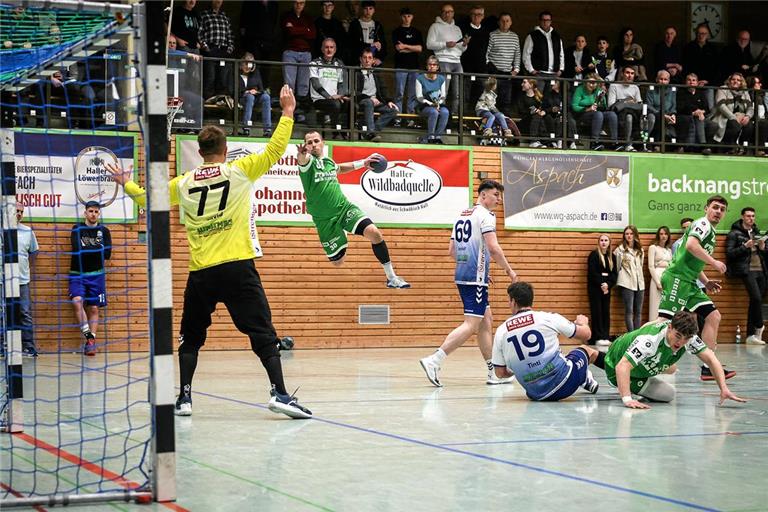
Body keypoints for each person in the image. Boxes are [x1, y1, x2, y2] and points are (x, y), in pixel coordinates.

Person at [106, 85, 312, 419]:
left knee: (191, 336)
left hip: (201, 273)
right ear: (224, 148)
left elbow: (146, 198)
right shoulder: (239, 171)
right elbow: (275, 150)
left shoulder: (185, 182)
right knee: (262, 332)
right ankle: (280, 393)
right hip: (237, 268)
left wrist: (126, 182)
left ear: (200, 151)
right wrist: (287, 112)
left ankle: (184, 398)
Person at [419, 180, 517, 387]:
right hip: (474, 278)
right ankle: (434, 360)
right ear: (482, 196)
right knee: (471, 323)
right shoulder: (486, 216)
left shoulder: (463, 214)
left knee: (485, 321)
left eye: (500, 196)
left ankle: (493, 372)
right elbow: (493, 248)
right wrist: (509, 270)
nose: (499, 199)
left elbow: (452, 251)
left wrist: (477, 269)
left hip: (465, 275)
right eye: (495, 195)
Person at [295, 131, 410, 289]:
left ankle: (392, 277)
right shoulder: (307, 164)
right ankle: (341, 231)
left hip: (344, 209)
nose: (313, 144)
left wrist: (364, 163)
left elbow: (340, 169)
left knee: (375, 233)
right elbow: (302, 160)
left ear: (323, 143)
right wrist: (301, 154)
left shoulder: (328, 162)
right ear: (306, 146)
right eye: (309, 142)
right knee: (337, 262)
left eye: (316, 141)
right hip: (325, 220)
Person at [587, 310, 746, 409]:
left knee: (671, 375)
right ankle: (593, 355)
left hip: (641, 358)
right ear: (670, 327)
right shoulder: (650, 340)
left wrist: (723, 388)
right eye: (678, 336)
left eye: (685, 339)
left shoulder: (687, 337)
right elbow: (622, 366)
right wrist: (627, 399)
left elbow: (711, 358)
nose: (680, 343)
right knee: (665, 388)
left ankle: (640, 381)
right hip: (615, 362)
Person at [657, 195, 736, 381]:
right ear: (706, 208)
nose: (718, 211)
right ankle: (639, 352)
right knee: (663, 322)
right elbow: (692, 245)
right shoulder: (703, 224)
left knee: (713, 316)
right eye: (715, 207)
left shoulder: (712, 232)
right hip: (677, 278)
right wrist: (715, 262)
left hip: (690, 281)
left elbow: (695, 259)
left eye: (722, 209)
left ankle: (708, 367)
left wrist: (706, 281)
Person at [491, 282, 599, 401]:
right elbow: (586, 335)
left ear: (514, 302)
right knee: (587, 350)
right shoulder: (547, 318)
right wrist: (583, 322)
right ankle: (612, 373)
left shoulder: (501, 331)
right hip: (565, 384)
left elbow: (500, 373)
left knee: (565, 358)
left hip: (536, 395)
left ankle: (584, 378)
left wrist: (519, 369)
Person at [69, 201, 111, 357]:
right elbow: (77, 249)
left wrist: (87, 249)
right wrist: (97, 249)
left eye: (96, 212)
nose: (93, 214)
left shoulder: (104, 231)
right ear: (85, 213)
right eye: (91, 211)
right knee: (77, 301)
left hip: (97, 275)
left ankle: (90, 343)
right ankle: (88, 337)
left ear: (99, 214)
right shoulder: (77, 229)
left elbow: (107, 254)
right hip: (77, 274)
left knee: (93, 308)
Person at [725, 207, 767, 345]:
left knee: (755, 302)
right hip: (746, 270)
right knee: (755, 297)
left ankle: (750, 336)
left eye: (753, 216)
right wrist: (745, 246)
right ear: (742, 217)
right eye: (748, 216)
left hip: (760, 269)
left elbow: (764, 254)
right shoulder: (734, 233)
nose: (751, 218)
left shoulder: (756, 232)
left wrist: (762, 248)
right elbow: (730, 254)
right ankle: (760, 326)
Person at [426, 3, 468, 114]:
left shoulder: (457, 28)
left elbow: (461, 49)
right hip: (443, 60)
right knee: (443, 90)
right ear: (441, 13)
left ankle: (454, 116)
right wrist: (445, 44)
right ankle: (439, 113)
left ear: (453, 13)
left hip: (457, 61)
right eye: (445, 11)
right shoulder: (435, 26)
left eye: (450, 11)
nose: (447, 14)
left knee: (457, 92)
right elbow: (429, 44)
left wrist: (464, 45)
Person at [356, 48, 398, 141]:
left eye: (370, 58)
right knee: (369, 102)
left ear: (373, 60)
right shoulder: (356, 73)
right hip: (362, 101)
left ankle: (372, 131)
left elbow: (383, 88)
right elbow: (355, 92)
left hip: (376, 102)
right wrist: (370, 98)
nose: (367, 60)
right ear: (360, 59)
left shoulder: (376, 73)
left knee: (393, 110)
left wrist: (389, 101)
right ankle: (370, 133)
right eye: (365, 57)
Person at [309, 37, 348, 138]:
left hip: (335, 99)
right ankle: (335, 132)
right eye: (326, 47)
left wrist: (340, 95)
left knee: (352, 105)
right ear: (322, 49)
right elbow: (315, 84)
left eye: (331, 47)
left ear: (335, 50)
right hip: (320, 99)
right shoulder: (314, 63)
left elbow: (342, 83)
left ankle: (346, 132)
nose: (329, 50)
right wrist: (329, 96)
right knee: (335, 105)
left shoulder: (339, 64)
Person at [458, 4, 495, 108]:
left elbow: (489, 49)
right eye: (474, 14)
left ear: (483, 16)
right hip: (466, 68)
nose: (476, 16)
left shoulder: (486, 32)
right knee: (464, 96)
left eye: (479, 14)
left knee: (481, 97)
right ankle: (463, 120)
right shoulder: (463, 29)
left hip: (481, 69)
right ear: (470, 15)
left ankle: (479, 120)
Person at [281, 0, 316, 108]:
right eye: (296, 2)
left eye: (301, 3)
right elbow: (288, 32)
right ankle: (289, 110)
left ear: (304, 4)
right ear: (293, 3)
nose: (299, 5)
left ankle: (300, 112)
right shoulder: (287, 15)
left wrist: (295, 29)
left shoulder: (308, 17)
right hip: (290, 52)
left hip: (305, 53)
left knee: (303, 85)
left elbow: (312, 34)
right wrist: (305, 30)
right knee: (289, 84)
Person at [484, 12, 521, 113]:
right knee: (491, 102)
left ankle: (504, 126)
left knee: (506, 102)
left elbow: (517, 54)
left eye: (507, 21)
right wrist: (490, 70)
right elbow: (486, 54)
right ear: (498, 22)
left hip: (507, 74)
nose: (505, 23)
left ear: (511, 23)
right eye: (502, 21)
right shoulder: (492, 35)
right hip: (494, 75)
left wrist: (516, 69)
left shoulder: (515, 37)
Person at [199, 0, 235, 103]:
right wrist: (206, 48)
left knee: (223, 78)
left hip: (223, 51)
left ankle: (221, 101)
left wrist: (229, 49)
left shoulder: (225, 16)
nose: (218, 1)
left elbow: (230, 35)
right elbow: (200, 33)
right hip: (210, 49)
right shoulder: (204, 15)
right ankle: (208, 102)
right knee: (210, 77)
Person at [571, 74, 618, 150]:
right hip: (582, 114)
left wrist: (603, 99)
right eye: (589, 82)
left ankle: (614, 142)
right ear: (586, 82)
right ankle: (595, 142)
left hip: (596, 113)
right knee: (598, 114)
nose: (592, 85)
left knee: (611, 115)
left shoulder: (598, 90)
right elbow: (574, 106)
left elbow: (604, 107)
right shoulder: (579, 89)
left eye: (594, 83)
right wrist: (587, 109)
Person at [711, 72, 754, 154]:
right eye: (733, 79)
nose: (735, 81)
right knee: (734, 124)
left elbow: (750, 107)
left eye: (738, 80)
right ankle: (730, 148)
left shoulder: (745, 92)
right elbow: (721, 106)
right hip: (724, 117)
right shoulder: (723, 89)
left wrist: (747, 116)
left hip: (740, 117)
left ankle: (742, 147)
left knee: (749, 125)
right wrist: (733, 117)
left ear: (741, 82)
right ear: (729, 81)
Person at [391, 8, 423, 117]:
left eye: (409, 16)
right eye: (404, 16)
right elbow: (398, 48)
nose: (407, 18)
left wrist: (405, 46)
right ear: (401, 17)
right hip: (400, 66)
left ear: (412, 17)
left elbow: (419, 48)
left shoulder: (417, 32)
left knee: (412, 94)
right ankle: (397, 116)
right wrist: (410, 48)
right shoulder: (396, 31)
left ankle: (411, 117)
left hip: (414, 66)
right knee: (399, 93)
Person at [587, 234, 617, 347]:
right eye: (602, 240)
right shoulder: (594, 255)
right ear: (598, 242)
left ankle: (605, 335)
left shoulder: (612, 257)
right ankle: (597, 337)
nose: (604, 242)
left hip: (606, 290)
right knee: (597, 312)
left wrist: (608, 285)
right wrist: (602, 284)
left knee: (605, 312)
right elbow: (592, 273)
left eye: (606, 240)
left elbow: (614, 274)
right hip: (595, 289)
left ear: (609, 242)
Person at [16, 208, 39, 357]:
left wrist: (25, 267)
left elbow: (34, 251)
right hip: (1, 281)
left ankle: (28, 347)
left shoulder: (27, 231)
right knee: (1, 313)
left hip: (22, 280)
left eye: (21, 211)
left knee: (24, 312)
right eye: (15, 210)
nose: (18, 213)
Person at [614, 225, 645, 331]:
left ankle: (637, 335)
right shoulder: (620, 250)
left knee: (638, 311)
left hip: (639, 283)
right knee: (629, 311)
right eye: (627, 234)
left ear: (635, 235)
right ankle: (631, 335)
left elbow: (641, 265)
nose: (629, 236)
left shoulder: (640, 249)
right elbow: (617, 267)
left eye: (631, 233)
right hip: (626, 282)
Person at [683, 23, 719, 110]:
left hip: (708, 83)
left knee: (710, 108)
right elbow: (686, 65)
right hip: (692, 83)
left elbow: (716, 68)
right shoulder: (689, 47)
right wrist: (695, 81)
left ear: (707, 35)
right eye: (699, 33)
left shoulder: (712, 49)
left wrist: (707, 81)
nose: (701, 35)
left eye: (704, 33)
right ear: (696, 34)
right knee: (691, 106)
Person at [415, 55, 449, 144]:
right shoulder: (420, 78)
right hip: (424, 105)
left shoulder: (441, 79)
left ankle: (438, 137)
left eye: (434, 65)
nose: (432, 66)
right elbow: (419, 97)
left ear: (437, 67)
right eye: (430, 64)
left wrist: (438, 104)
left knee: (445, 112)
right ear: (427, 66)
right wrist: (431, 104)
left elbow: (443, 96)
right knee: (434, 112)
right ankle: (431, 137)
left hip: (438, 104)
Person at [522, 10, 564, 83]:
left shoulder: (556, 36)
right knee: (538, 94)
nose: (545, 22)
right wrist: (531, 70)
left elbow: (561, 54)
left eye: (547, 20)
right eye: (543, 20)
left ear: (551, 21)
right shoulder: (532, 36)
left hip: (553, 74)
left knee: (551, 94)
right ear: (540, 21)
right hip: (538, 73)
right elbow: (526, 54)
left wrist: (561, 69)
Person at [237, 52, 272, 137]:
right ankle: (246, 128)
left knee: (266, 97)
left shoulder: (255, 73)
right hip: (241, 97)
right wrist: (247, 91)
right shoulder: (235, 72)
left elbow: (261, 88)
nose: (248, 66)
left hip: (255, 97)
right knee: (249, 97)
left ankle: (267, 129)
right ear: (241, 64)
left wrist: (256, 91)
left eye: (250, 64)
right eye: (246, 63)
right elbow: (232, 89)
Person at [608, 66, 643, 151]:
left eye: (632, 73)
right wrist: (626, 101)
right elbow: (611, 105)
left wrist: (629, 103)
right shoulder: (614, 86)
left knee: (646, 115)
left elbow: (639, 104)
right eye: (627, 73)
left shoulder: (635, 88)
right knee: (628, 116)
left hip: (634, 112)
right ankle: (628, 144)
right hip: (619, 112)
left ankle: (642, 144)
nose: (629, 75)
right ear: (622, 74)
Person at [676, 73, 713, 154]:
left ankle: (709, 146)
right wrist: (694, 113)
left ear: (697, 83)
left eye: (693, 80)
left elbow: (707, 108)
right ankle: (702, 146)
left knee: (713, 125)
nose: (691, 82)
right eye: (689, 80)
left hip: (700, 116)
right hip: (686, 116)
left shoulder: (701, 93)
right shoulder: (681, 92)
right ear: (686, 82)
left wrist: (701, 112)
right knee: (697, 119)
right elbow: (681, 108)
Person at [347, 0, 386, 67]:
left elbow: (383, 45)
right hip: (357, 60)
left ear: (374, 10)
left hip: (373, 61)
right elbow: (352, 44)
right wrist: (370, 44)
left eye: (370, 8)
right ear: (362, 10)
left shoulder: (377, 25)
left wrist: (380, 59)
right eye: (366, 8)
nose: (368, 11)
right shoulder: (355, 24)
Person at [645, 69, 677, 147]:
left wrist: (673, 115)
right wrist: (663, 115)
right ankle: (657, 145)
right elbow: (649, 106)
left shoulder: (672, 90)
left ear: (669, 81)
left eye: (665, 79)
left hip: (668, 115)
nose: (663, 81)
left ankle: (679, 146)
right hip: (655, 113)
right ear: (657, 79)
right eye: (661, 79)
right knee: (660, 118)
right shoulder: (651, 89)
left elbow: (673, 105)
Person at [648, 226, 672, 321]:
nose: (663, 236)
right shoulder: (653, 247)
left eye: (665, 234)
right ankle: (653, 325)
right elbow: (650, 266)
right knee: (655, 303)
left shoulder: (669, 250)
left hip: (667, 276)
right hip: (657, 276)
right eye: (661, 234)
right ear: (658, 235)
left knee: (665, 303)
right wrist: (658, 282)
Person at [519, 78, 545, 147]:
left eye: (524, 82)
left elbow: (545, 108)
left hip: (538, 121)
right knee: (537, 116)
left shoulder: (539, 97)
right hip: (526, 120)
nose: (522, 84)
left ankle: (549, 141)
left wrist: (543, 111)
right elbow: (521, 111)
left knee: (544, 117)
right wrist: (533, 110)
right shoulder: (522, 97)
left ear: (531, 85)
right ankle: (533, 141)